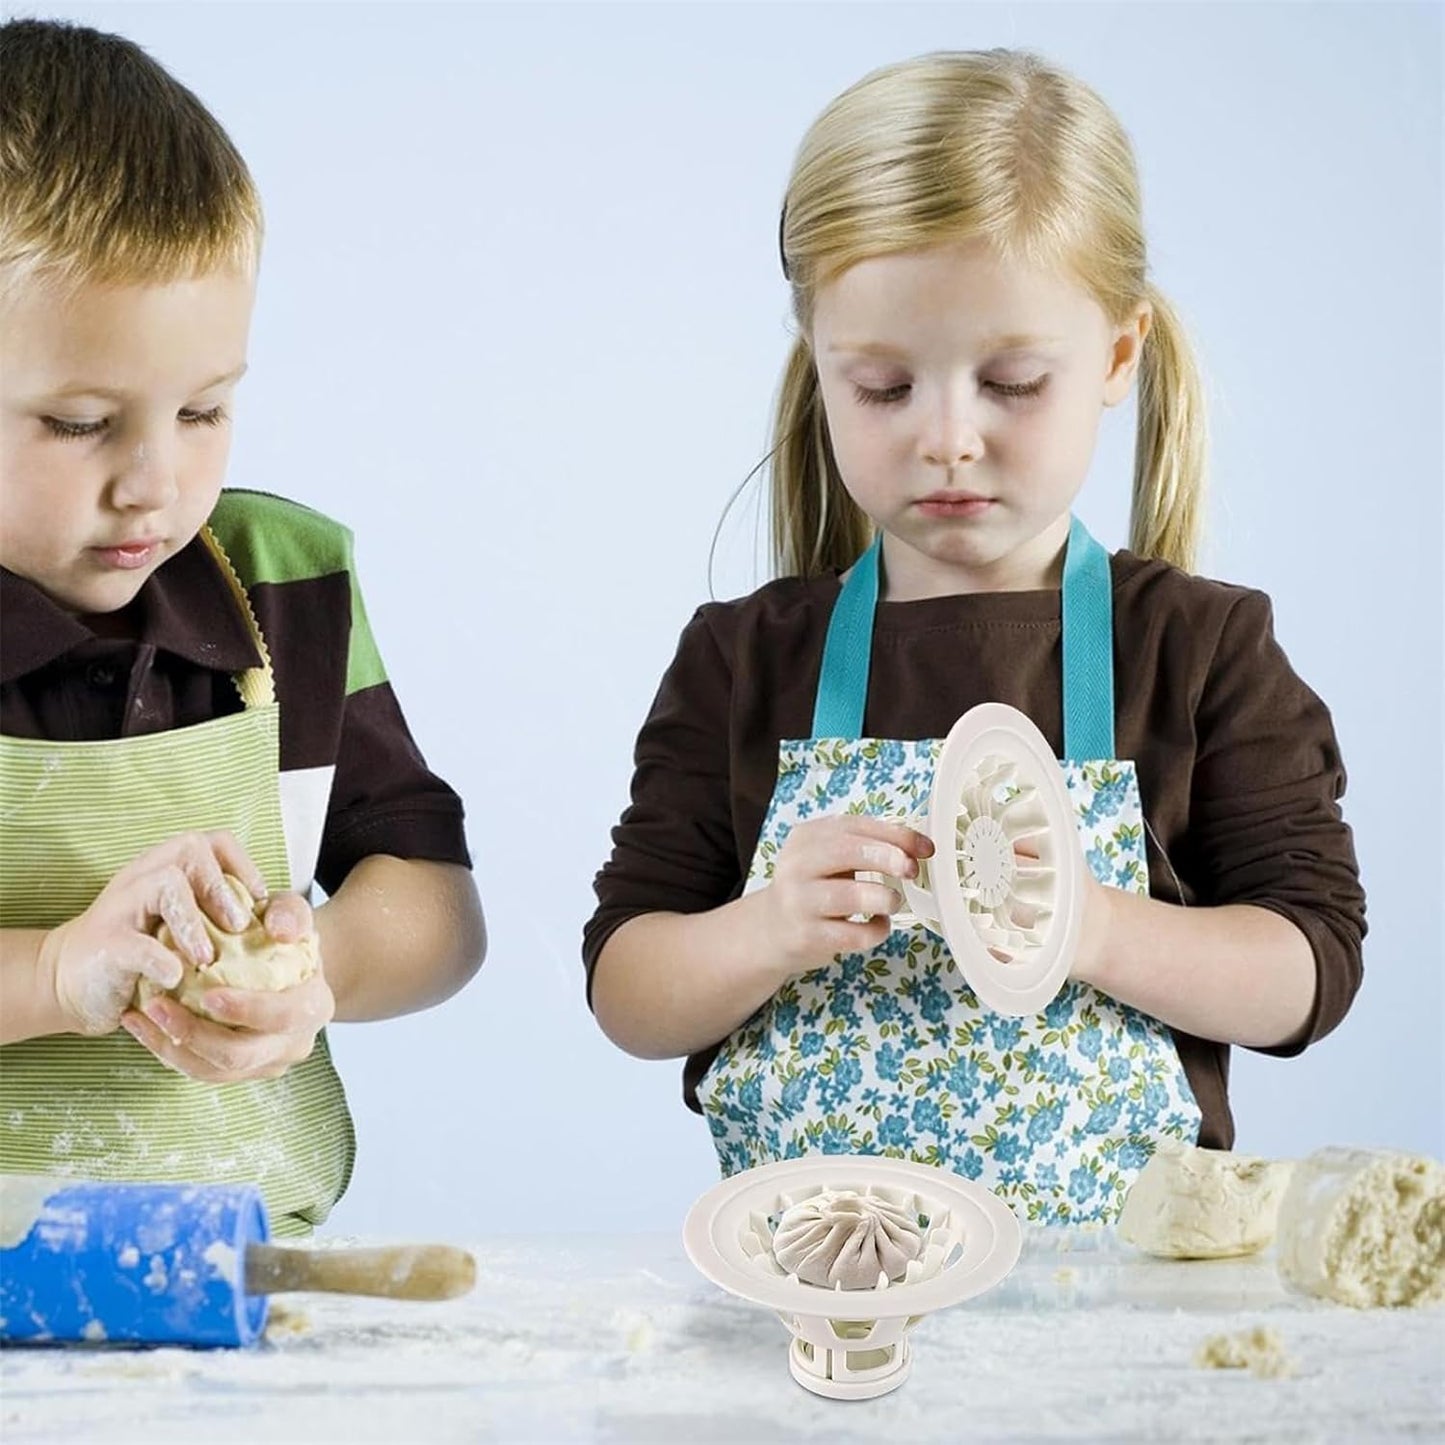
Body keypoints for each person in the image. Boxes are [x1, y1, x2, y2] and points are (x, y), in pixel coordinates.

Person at [583, 49, 1365, 1224]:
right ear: (821, 374)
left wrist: (1087, 922)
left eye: (1009, 381)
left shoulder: (1200, 650)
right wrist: (763, 930)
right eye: (885, 388)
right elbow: (627, 988)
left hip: (1112, 1322)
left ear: (1112, 356)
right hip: (817, 1302)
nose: (948, 436)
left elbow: (1308, 971)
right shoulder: (744, 661)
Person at [0, 19, 486, 1236]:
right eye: (77, 422)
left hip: (238, 1264)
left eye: (206, 408)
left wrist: (314, 968)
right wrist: (59, 972)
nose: (154, 482)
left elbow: (434, 900)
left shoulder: (283, 582)